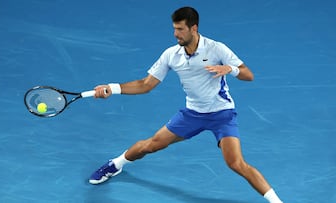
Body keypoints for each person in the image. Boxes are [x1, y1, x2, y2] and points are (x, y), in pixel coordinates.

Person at [89, 6, 283, 203]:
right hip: (192, 115)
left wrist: (230, 69)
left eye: (180, 29)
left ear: (194, 28)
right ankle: (115, 164)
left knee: (235, 163)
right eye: (174, 29)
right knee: (151, 145)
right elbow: (146, 85)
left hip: (222, 114)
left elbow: (248, 75)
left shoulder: (216, 48)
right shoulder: (171, 55)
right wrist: (112, 88)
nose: (175, 34)